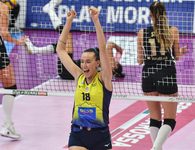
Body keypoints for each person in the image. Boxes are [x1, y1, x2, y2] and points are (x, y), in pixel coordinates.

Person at [56, 7, 113, 150]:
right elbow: (60, 50)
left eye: (88, 62)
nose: (84, 65)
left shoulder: (104, 78)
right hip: (78, 134)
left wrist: (96, 20)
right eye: (82, 61)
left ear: (97, 63)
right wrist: (68, 22)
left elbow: (103, 49)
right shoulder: (79, 76)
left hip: (100, 136)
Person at [24, 0, 124, 79]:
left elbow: (110, 44)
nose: (114, 60)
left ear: (115, 67)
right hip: (70, 67)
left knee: (67, 36)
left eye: (116, 62)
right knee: (62, 43)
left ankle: (50, 11)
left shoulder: (109, 67)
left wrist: (119, 49)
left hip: (68, 70)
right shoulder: (104, 68)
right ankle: (34, 50)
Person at [137, 2, 189, 150]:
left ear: (151, 15)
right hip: (166, 74)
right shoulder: (173, 31)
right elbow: (177, 57)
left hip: (148, 76)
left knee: (155, 118)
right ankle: (156, 148)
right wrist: (181, 52)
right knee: (170, 120)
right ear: (165, 14)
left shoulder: (142, 33)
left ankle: (157, 148)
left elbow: (140, 60)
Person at [0, 0, 27, 139]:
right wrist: (17, 41)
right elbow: (5, 33)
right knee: (10, 87)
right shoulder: (1, 7)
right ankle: (7, 126)